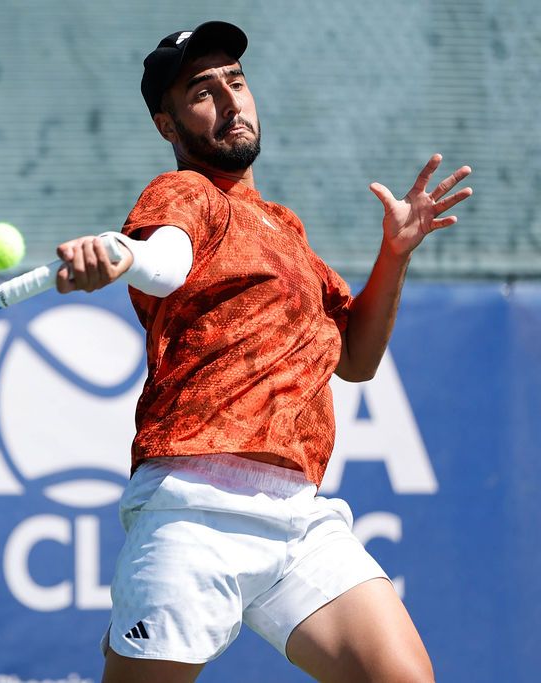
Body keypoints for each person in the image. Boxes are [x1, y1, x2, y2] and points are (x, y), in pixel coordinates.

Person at [54, 21, 472, 683]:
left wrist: (394, 254)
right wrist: (122, 255)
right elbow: (167, 260)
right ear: (167, 125)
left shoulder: (285, 229)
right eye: (203, 92)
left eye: (237, 82)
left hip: (299, 515)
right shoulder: (183, 194)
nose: (230, 100)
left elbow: (356, 361)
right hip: (194, 506)